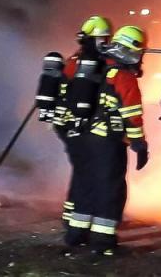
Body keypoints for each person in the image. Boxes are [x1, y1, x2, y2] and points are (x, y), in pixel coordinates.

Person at [73, 25, 150, 255]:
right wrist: (139, 144)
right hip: (108, 142)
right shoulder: (124, 77)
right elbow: (132, 115)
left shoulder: (97, 68)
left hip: (86, 137)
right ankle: (103, 242)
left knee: (86, 185)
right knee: (111, 190)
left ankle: (76, 234)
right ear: (133, 51)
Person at [53, 16, 112, 247]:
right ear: (89, 39)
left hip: (71, 123)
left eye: (107, 38)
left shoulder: (83, 60)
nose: (104, 42)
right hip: (72, 124)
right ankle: (74, 225)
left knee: (82, 172)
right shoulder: (83, 62)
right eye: (101, 38)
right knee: (86, 173)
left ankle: (72, 219)